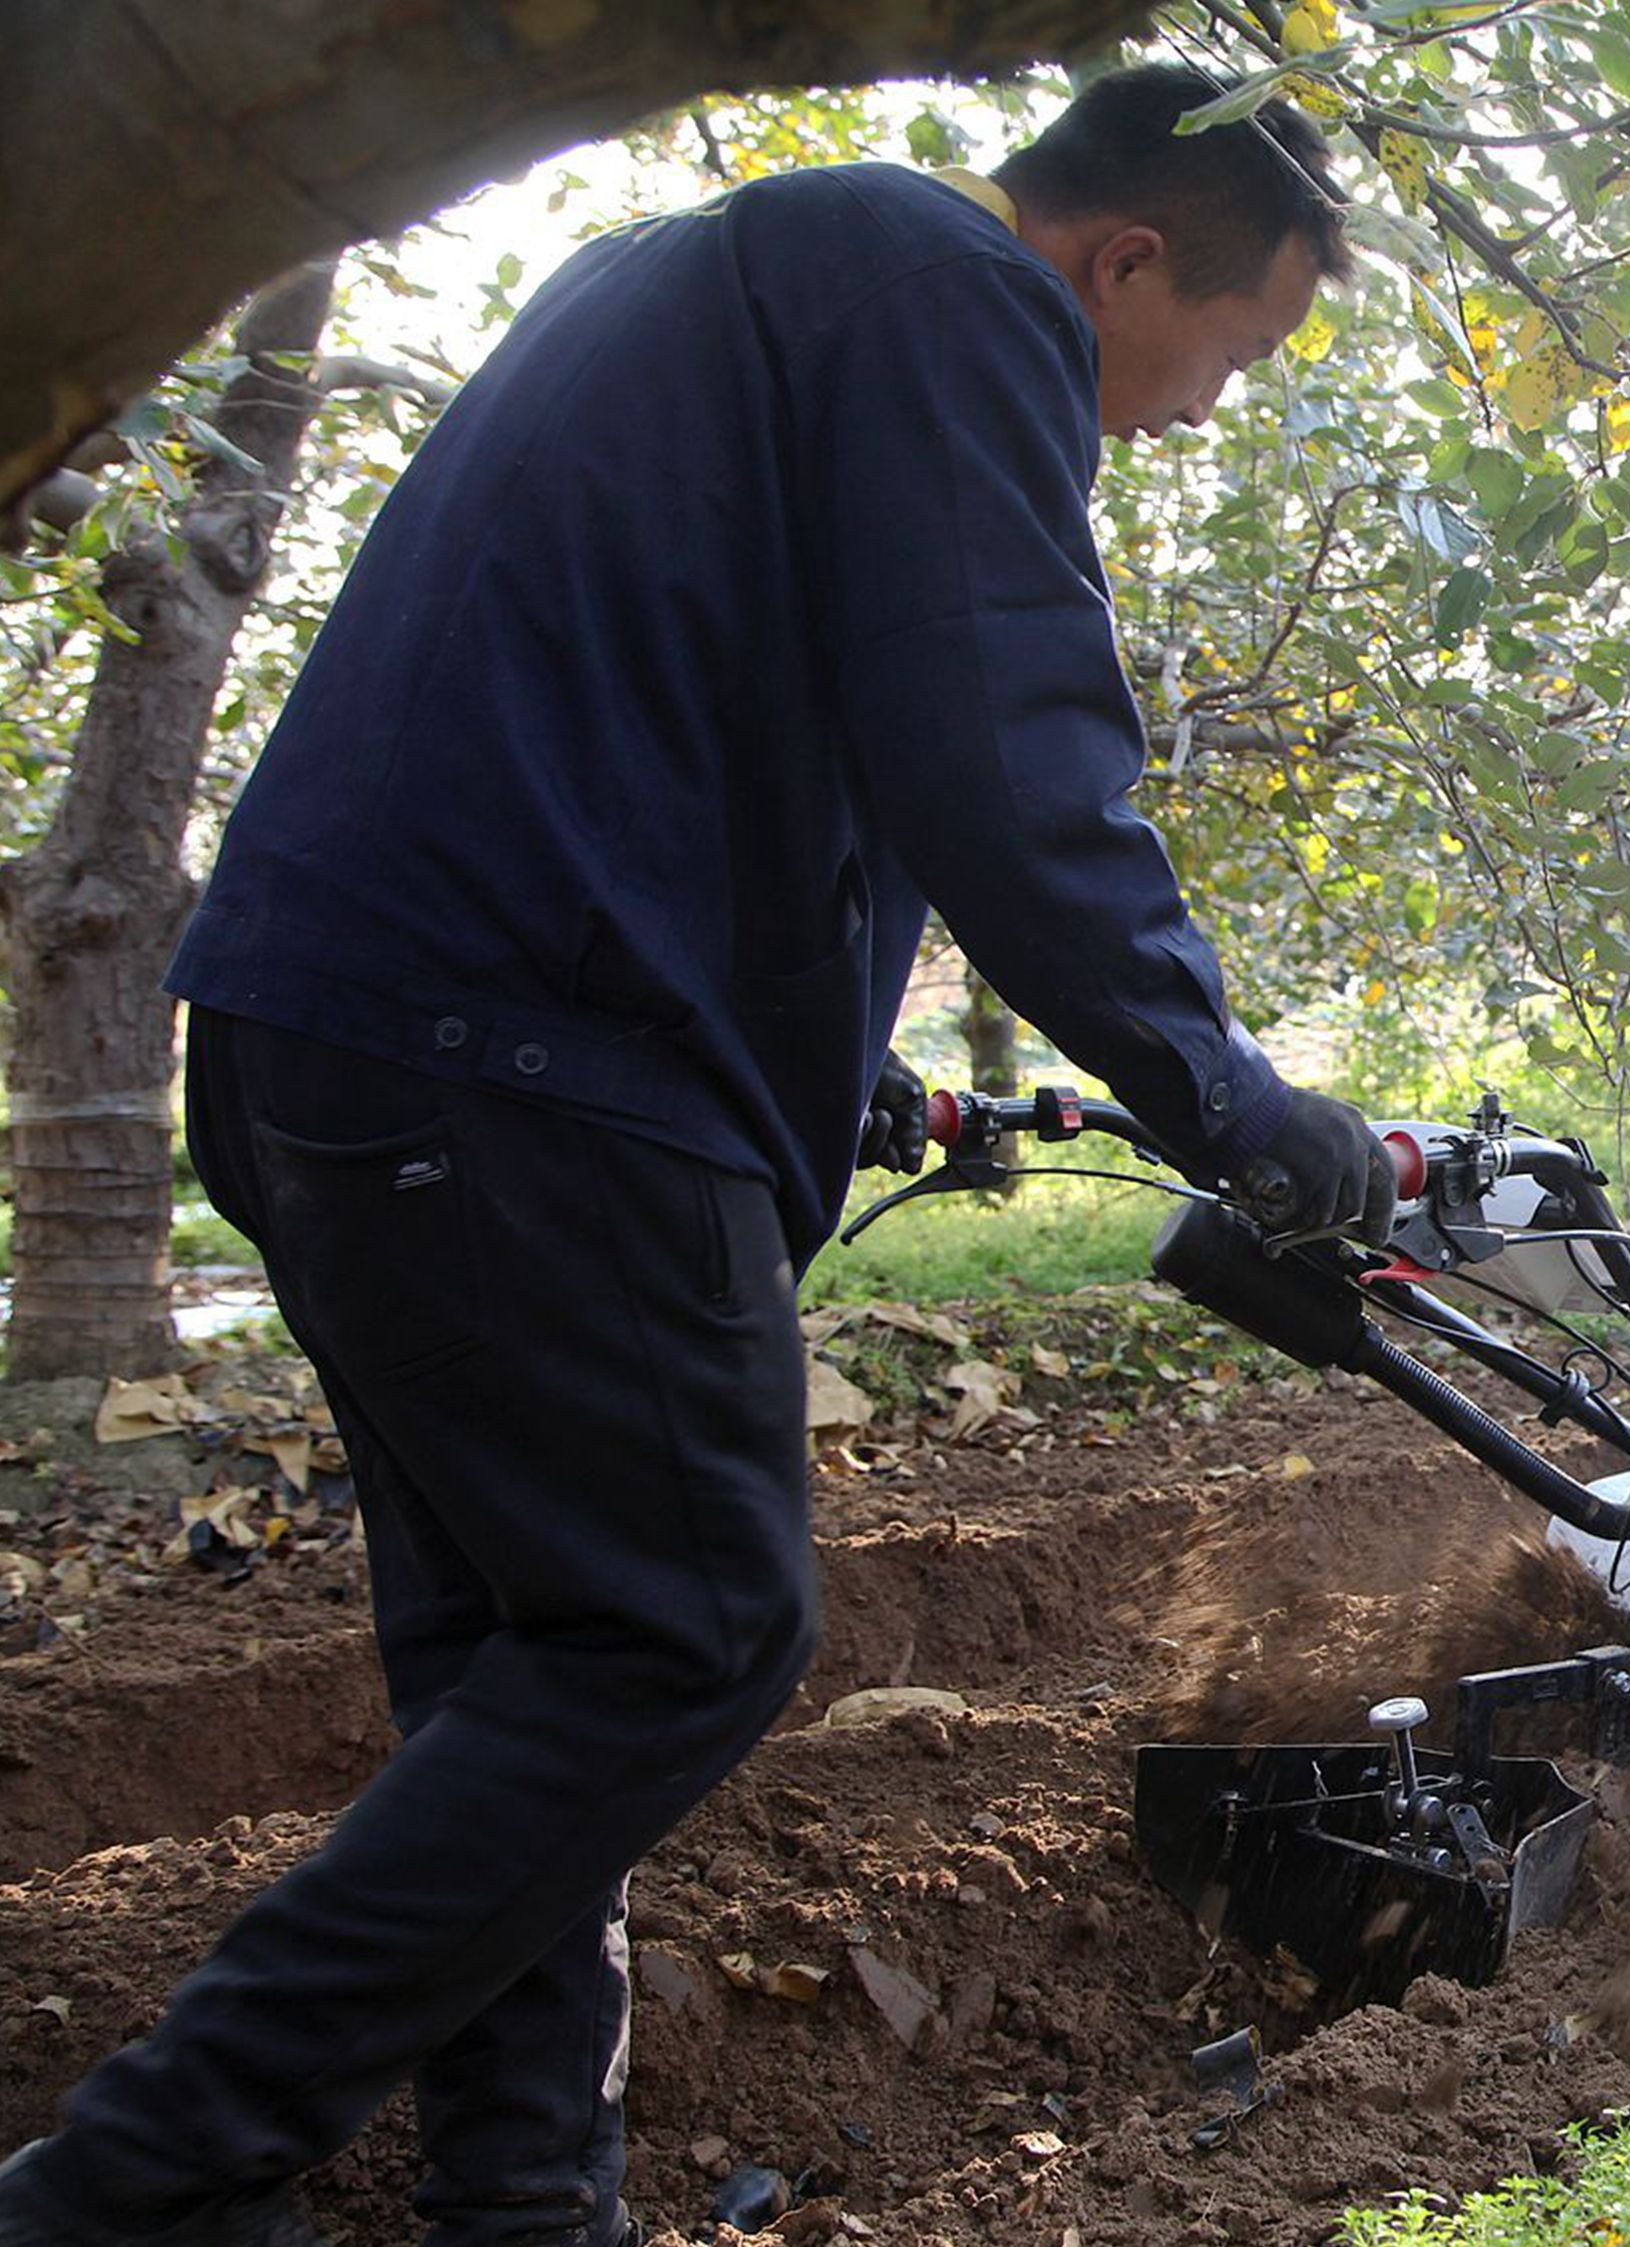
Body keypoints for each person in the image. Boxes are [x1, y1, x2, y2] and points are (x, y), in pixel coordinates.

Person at [0, 67, 1394, 2247]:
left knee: (534, 1664)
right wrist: (1229, 1092)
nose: (1197, 413)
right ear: (1125, 260)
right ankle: (139, 2177)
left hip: (340, 1039)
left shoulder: (713, 274)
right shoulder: (949, 298)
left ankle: (523, 2198)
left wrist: (833, 1075)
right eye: (1234, 352)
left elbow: (649, 719)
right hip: (507, 1067)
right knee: (692, 1630)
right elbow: (1000, 746)